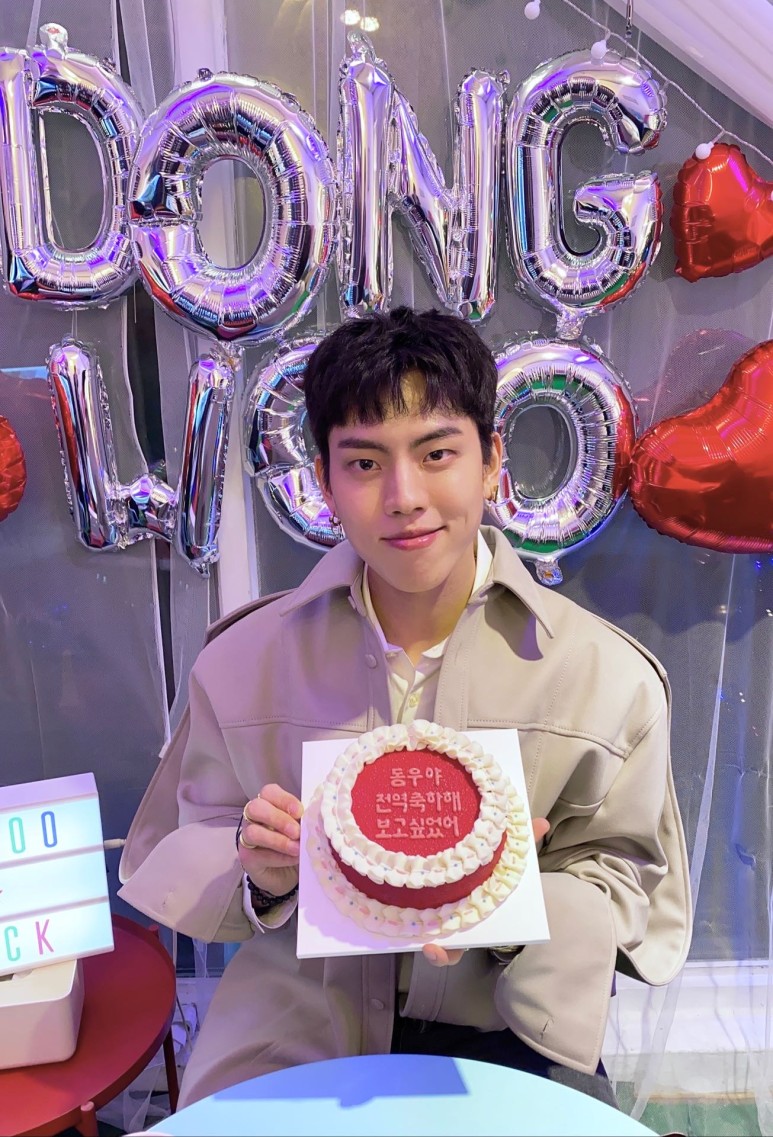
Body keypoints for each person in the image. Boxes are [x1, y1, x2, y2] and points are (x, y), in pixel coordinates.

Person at [118, 306, 691, 1109]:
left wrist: (516, 896)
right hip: (296, 1019)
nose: (404, 496)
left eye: (436, 453)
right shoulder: (242, 662)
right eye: (363, 462)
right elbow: (180, 840)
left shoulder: (603, 675)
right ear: (324, 482)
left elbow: (630, 877)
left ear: (491, 462)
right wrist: (259, 870)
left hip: (509, 1023)